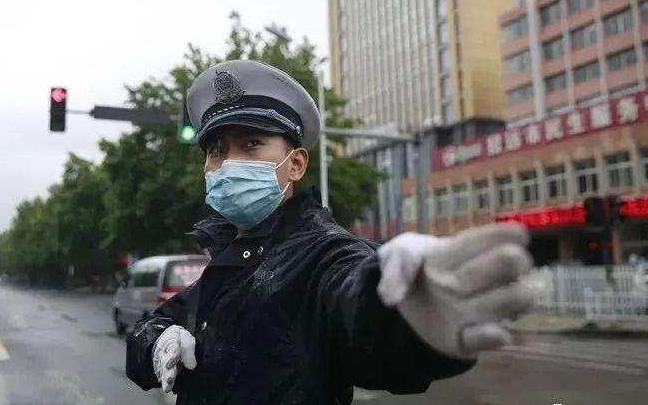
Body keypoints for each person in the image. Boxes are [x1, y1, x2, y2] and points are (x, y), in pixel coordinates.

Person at [125, 60, 534, 404]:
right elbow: (150, 328)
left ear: (297, 164)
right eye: (215, 150)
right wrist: (158, 341)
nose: (227, 161)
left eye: (251, 143)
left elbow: (359, 309)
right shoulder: (230, 260)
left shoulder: (324, 255)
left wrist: (406, 319)